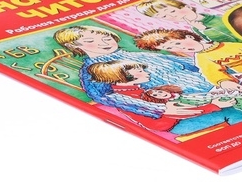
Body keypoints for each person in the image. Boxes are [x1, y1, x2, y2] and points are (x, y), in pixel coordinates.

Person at [53, 25, 214, 120]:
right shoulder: (95, 69)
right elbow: (106, 96)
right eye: (90, 41)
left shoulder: (137, 55)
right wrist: (158, 109)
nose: (103, 43)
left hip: (215, 82)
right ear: (74, 46)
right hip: (194, 97)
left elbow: (189, 63)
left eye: (107, 38)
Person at [85, 60, 242, 135]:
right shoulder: (126, 96)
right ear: (123, 77)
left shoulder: (137, 90)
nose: (146, 72)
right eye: (140, 71)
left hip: (178, 119)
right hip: (173, 125)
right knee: (231, 112)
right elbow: (174, 113)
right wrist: (213, 105)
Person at [134, 28, 242, 94]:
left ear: (189, 36)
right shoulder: (202, 57)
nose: (182, 47)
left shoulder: (229, 44)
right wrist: (224, 82)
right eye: (171, 48)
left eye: (177, 43)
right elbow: (211, 72)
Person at [135, 0, 240, 42]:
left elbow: (231, 40)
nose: (172, 16)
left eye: (172, 11)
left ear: (187, 6)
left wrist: (205, 30)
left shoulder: (219, 18)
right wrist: (203, 31)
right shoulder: (195, 28)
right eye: (164, 16)